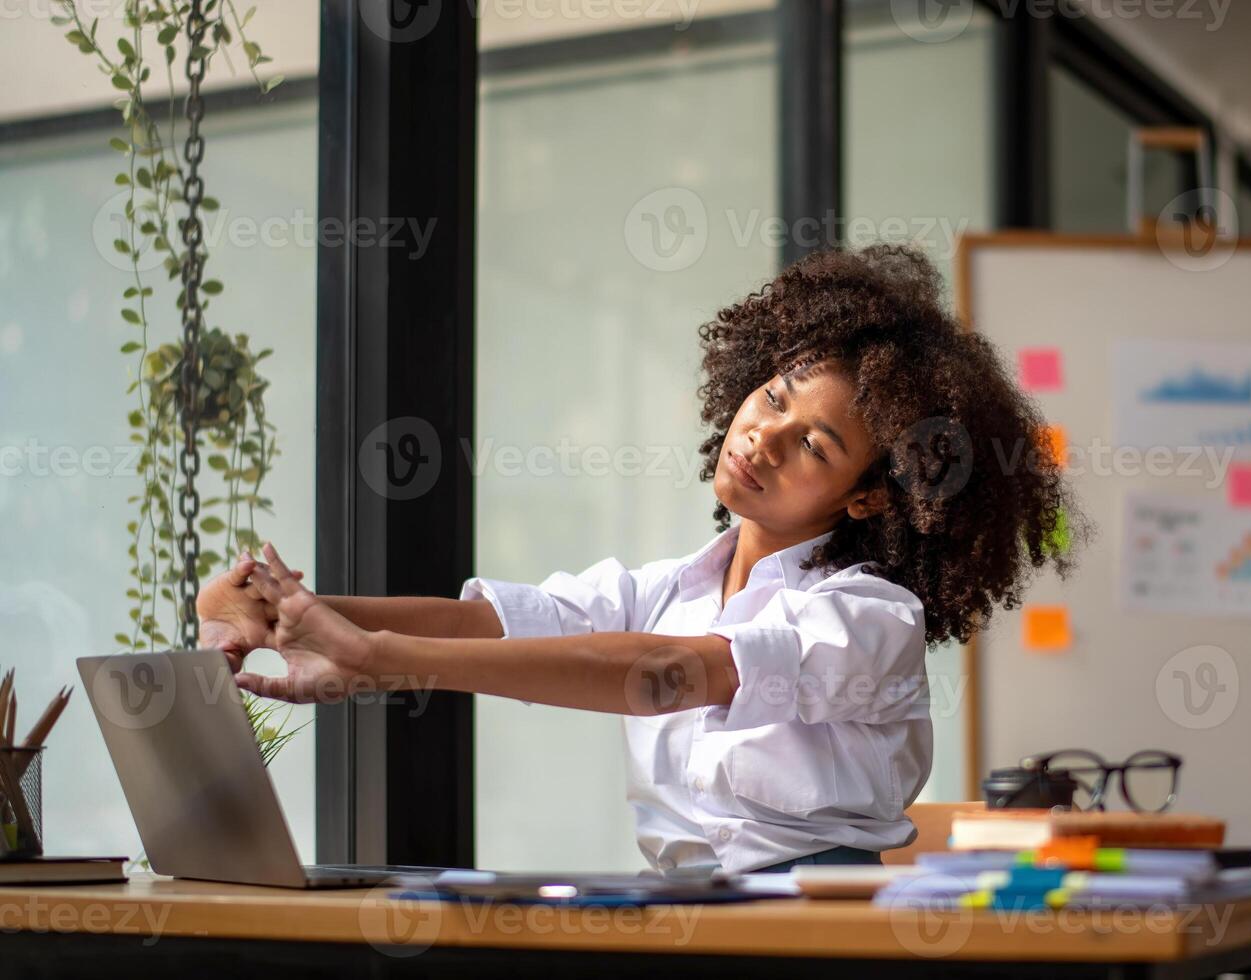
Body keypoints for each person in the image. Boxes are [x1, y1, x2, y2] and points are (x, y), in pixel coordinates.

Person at [198, 244, 1077, 875]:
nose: (761, 435)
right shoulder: (673, 586)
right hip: (686, 919)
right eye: (771, 396)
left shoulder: (870, 618)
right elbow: (486, 622)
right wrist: (276, 612)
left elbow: (665, 674)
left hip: (820, 933)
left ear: (869, 496)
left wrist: (382, 661)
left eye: (810, 440)